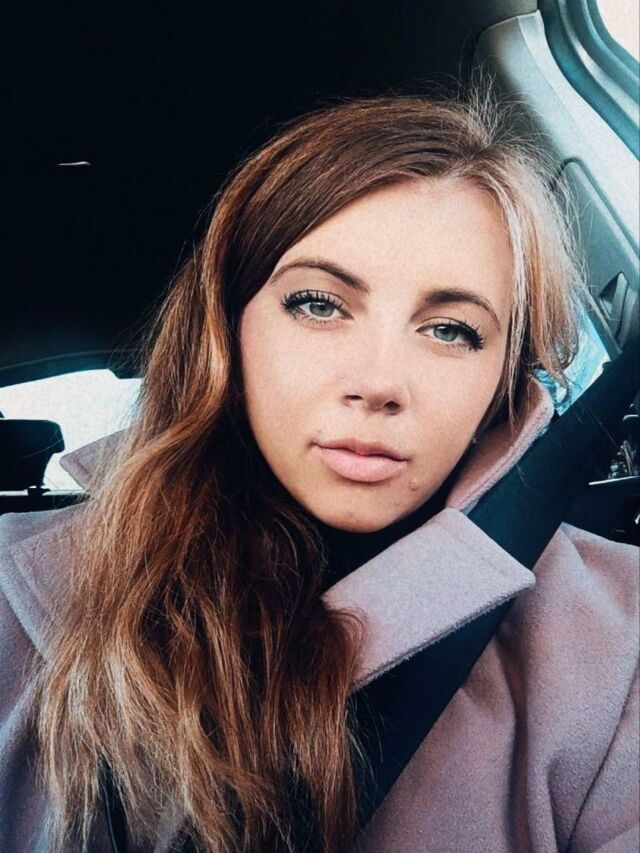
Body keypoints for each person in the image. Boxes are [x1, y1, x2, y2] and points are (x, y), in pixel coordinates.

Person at [0, 84, 638, 853]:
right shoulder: (17, 590)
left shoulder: (618, 640)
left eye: (450, 330)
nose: (378, 382)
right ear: (227, 329)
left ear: (506, 373)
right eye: (319, 304)